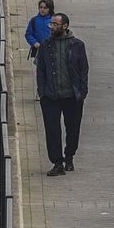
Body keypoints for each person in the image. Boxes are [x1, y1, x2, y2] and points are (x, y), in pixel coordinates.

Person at [36, 12, 89, 176]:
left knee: (73, 129)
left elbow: (83, 69)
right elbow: (41, 70)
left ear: (65, 26)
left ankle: (69, 156)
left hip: (72, 96)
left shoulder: (77, 45)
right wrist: (42, 92)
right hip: (51, 97)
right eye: (51, 24)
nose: (52, 27)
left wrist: (82, 91)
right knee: (52, 130)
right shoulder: (46, 45)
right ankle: (57, 162)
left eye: (55, 24)